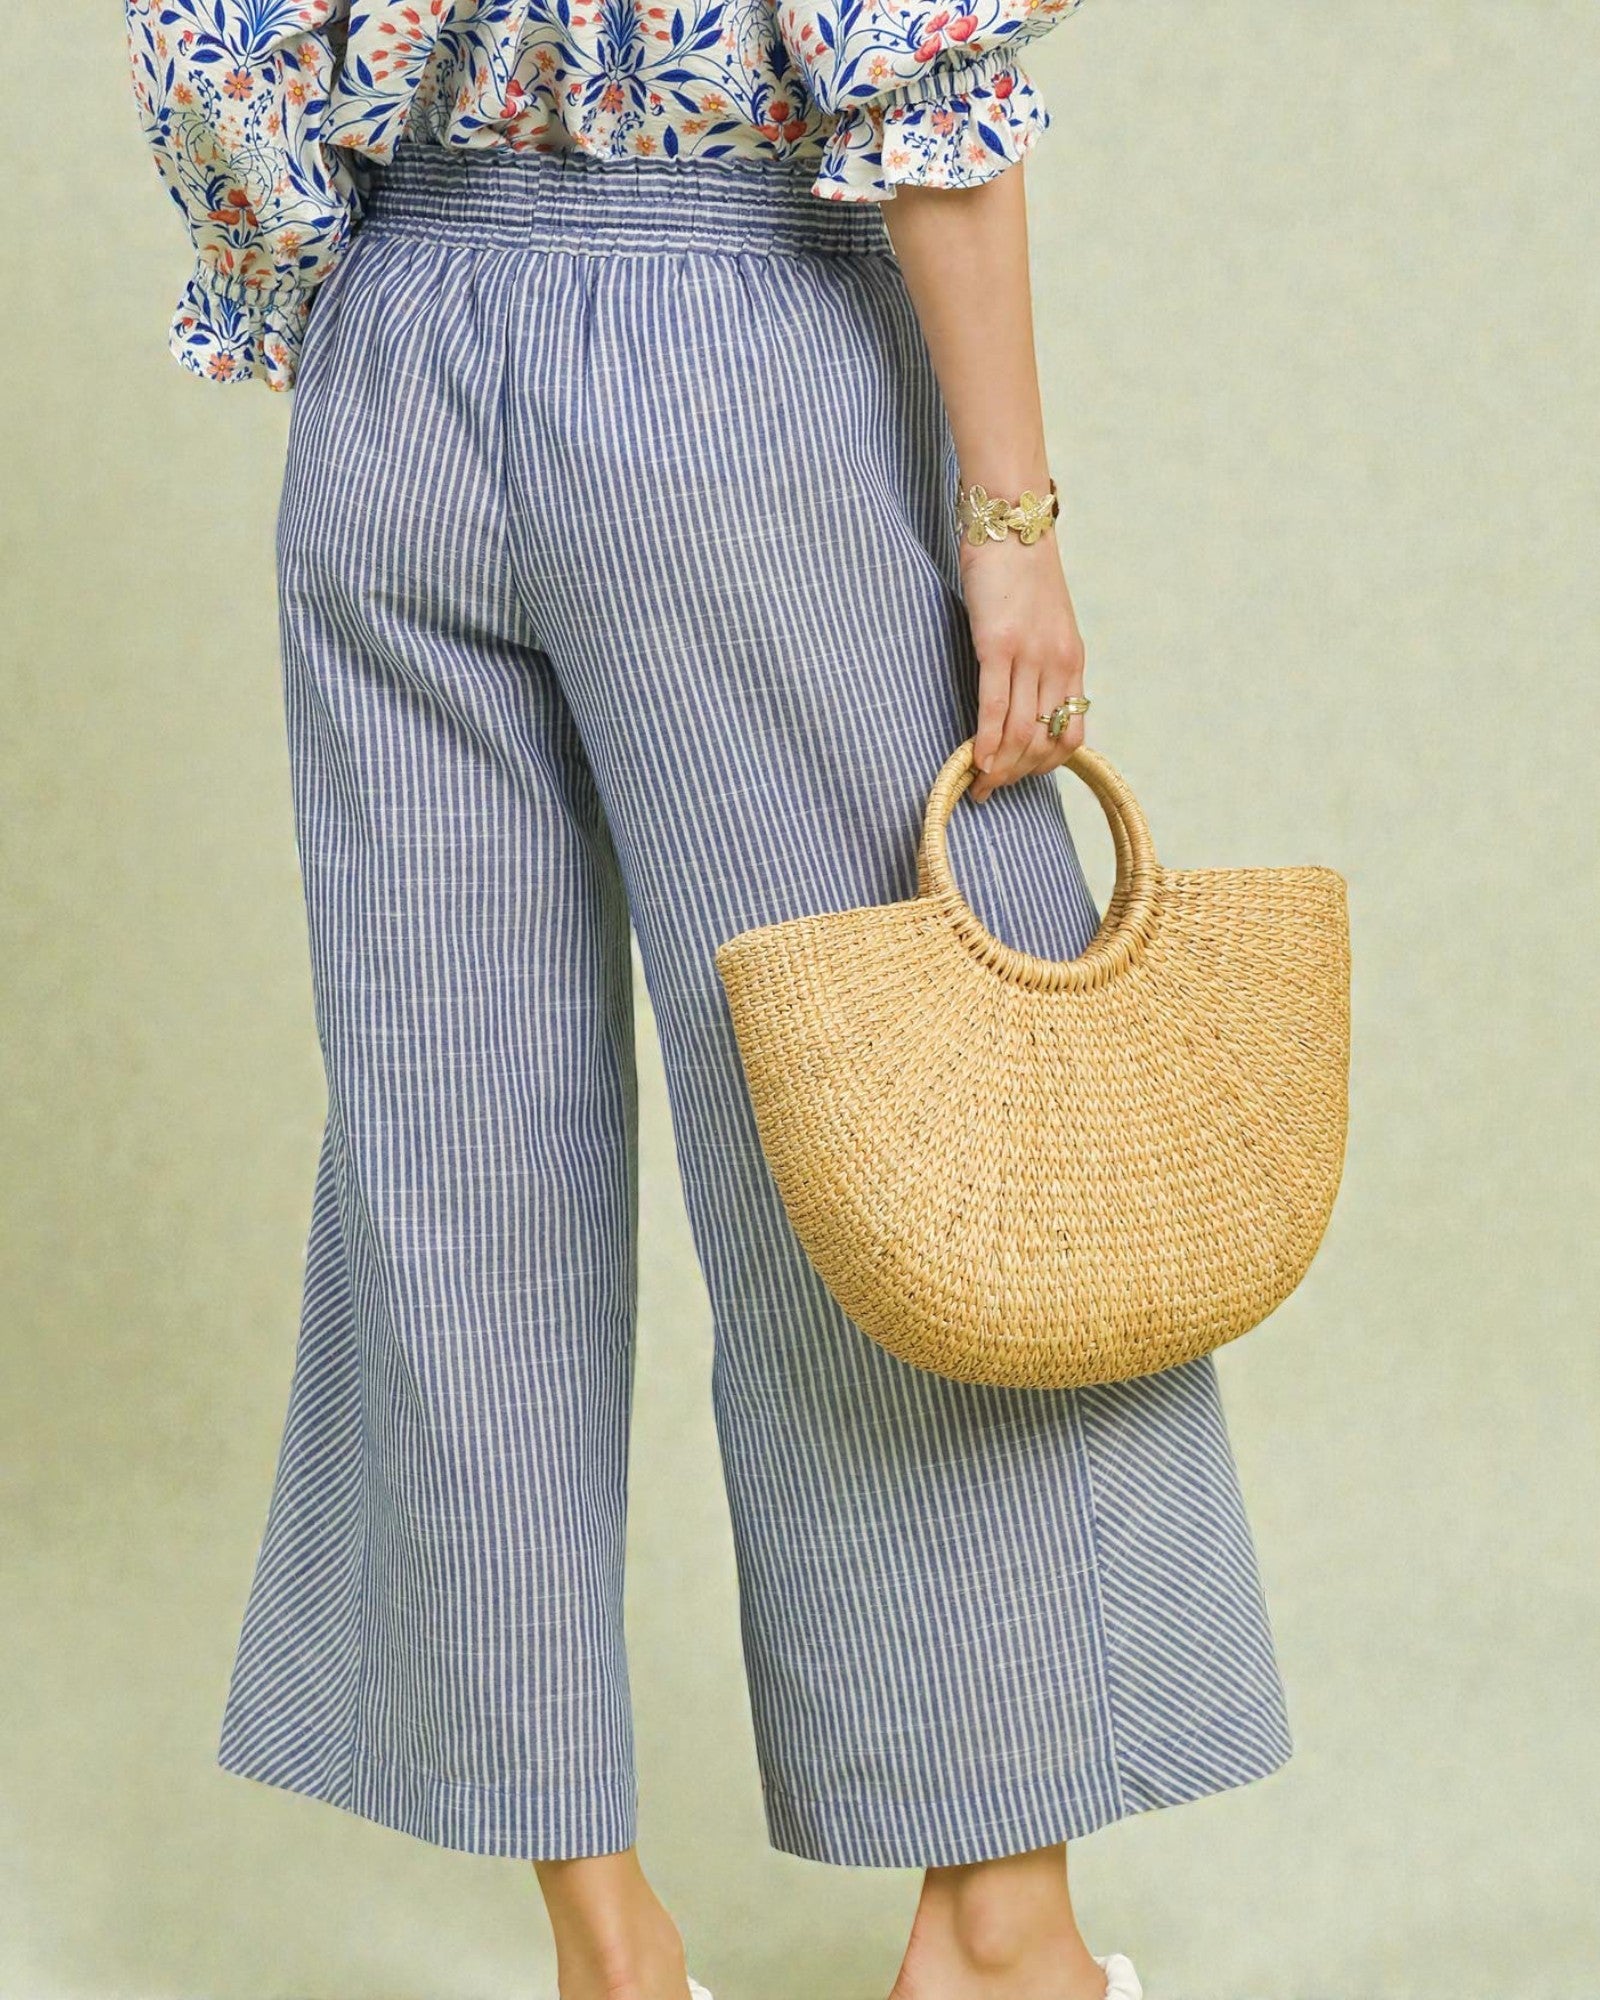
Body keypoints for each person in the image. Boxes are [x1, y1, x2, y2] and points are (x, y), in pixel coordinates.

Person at [123, 5, 1292, 1998]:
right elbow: (909, 64)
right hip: (727, 337)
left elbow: (212, 53)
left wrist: (379, 276)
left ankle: (607, 1949)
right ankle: (997, 1942)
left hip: (392, 366)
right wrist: (1010, 522)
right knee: (926, 1124)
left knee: (450, 1161)